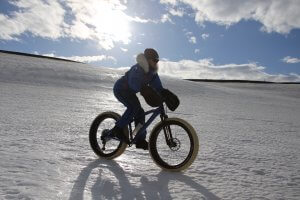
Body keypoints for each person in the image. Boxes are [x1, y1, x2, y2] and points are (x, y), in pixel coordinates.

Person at [111, 48, 163, 150]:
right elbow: (133, 84)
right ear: (148, 59)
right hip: (121, 89)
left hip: (129, 92)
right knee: (133, 107)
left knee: (140, 113)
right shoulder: (138, 68)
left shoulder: (152, 73)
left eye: (157, 61)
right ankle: (117, 129)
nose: (156, 63)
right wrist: (144, 88)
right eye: (155, 60)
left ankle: (139, 139)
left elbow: (158, 87)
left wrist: (165, 93)